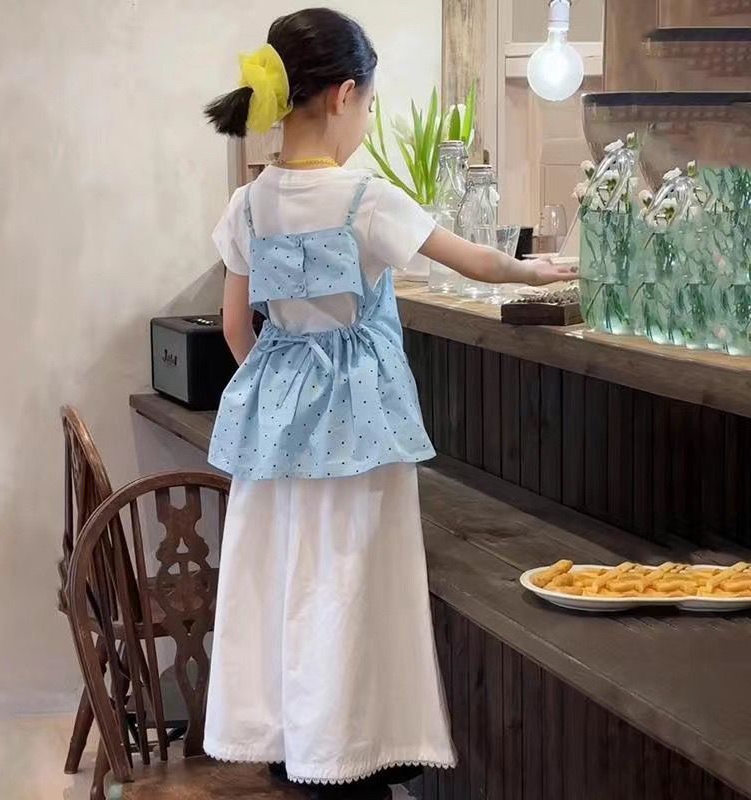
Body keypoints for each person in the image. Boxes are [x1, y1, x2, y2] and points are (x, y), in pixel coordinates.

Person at [202, 8, 577, 799]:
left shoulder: (248, 204)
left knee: (286, 575)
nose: (367, 121)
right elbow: (474, 260)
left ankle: (290, 738)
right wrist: (538, 270)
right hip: (360, 431)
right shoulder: (365, 199)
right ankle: (354, 743)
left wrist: (281, 394)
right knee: (354, 582)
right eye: (369, 104)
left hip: (279, 435)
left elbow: (238, 327)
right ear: (343, 96)